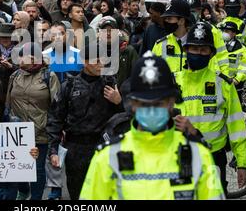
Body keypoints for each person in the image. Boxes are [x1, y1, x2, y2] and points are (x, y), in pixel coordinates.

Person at [79, 52, 225, 200]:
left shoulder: (198, 155)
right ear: (133, 104)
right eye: (144, 103)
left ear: (171, 103)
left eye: (159, 103)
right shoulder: (108, 157)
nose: (152, 110)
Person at [174, 22, 246, 194]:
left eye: (203, 50)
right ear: (186, 50)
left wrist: (242, 163)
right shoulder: (172, 81)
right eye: (194, 49)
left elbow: (237, 126)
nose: (198, 54)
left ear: (211, 54)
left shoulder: (223, 84)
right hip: (179, 156)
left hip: (213, 157)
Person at [47, 40, 123, 200]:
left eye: (103, 59)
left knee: (105, 194)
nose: (101, 63)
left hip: (103, 147)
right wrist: (53, 150)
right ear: (84, 61)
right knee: (78, 193)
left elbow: (124, 119)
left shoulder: (110, 84)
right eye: (96, 59)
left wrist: (119, 102)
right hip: (75, 148)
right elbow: (55, 119)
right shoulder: (69, 86)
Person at [6, 42, 61, 200]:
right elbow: (8, 103)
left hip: (40, 130)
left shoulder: (48, 76)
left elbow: (56, 105)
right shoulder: (15, 75)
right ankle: (23, 190)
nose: (21, 58)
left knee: (37, 169)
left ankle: (36, 199)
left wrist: (54, 128)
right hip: (17, 133)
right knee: (18, 167)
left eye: (25, 55)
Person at [219, 0, 246, 77]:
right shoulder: (245, 28)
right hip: (239, 72)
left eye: (234, 8)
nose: (232, 10)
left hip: (226, 71)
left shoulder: (220, 26)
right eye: (231, 8)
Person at [152, 0, 192, 73]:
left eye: (169, 19)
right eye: (165, 18)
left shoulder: (196, 44)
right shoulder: (160, 44)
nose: (166, 21)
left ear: (181, 21)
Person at [221, 21, 246, 93]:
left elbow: (245, 65)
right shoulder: (219, 45)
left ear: (234, 33)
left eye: (227, 31)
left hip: (237, 82)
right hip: (222, 80)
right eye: (224, 31)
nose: (224, 33)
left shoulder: (241, 48)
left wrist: (237, 79)